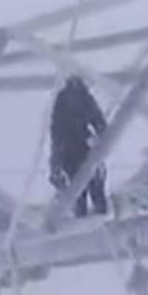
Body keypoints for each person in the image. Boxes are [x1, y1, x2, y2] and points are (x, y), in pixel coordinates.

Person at [49, 75, 109, 217]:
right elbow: (96, 117)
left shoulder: (65, 98)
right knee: (91, 181)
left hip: (71, 146)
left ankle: (85, 210)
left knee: (80, 182)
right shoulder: (82, 96)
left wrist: (56, 154)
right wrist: (102, 131)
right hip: (79, 144)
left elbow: (55, 128)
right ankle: (97, 210)